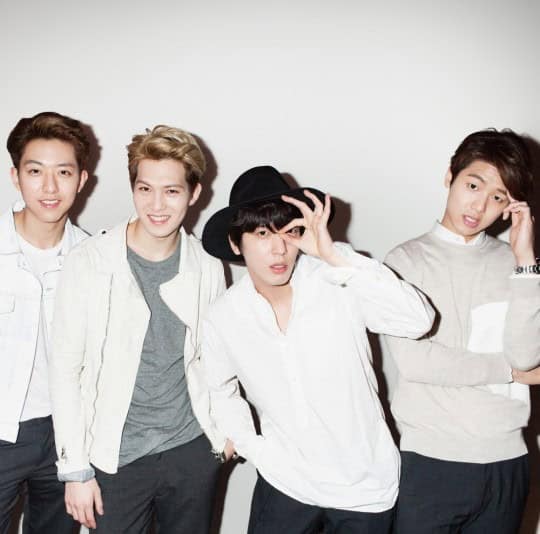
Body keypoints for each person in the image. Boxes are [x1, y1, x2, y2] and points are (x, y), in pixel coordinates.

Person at [200, 165, 435, 534]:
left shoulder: (336, 280)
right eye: (262, 233)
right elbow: (220, 391)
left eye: (290, 231)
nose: (279, 248)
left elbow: (417, 321)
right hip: (286, 484)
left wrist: (335, 256)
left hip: (365, 489)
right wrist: (253, 447)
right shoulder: (224, 316)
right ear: (235, 243)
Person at [49, 125, 231, 532]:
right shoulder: (89, 261)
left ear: (194, 194)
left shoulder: (207, 266)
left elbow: (217, 360)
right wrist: (75, 469)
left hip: (190, 451)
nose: (156, 205)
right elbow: (64, 370)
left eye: (172, 191)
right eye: (145, 189)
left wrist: (224, 435)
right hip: (116, 458)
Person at [384, 129, 540, 533]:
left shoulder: (515, 265)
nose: (480, 205)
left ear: (509, 207)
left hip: (507, 461)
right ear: (450, 176)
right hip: (431, 461)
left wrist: (526, 261)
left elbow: (526, 357)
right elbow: (418, 362)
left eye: (498, 197)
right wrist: (508, 372)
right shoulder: (404, 261)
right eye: (474, 185)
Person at [0, 111, 90, 533]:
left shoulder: (92, 259)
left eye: (63, 172)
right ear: (16, 176)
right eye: (36, 171)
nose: (50, 188)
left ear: (82, 180)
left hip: (65, 436)